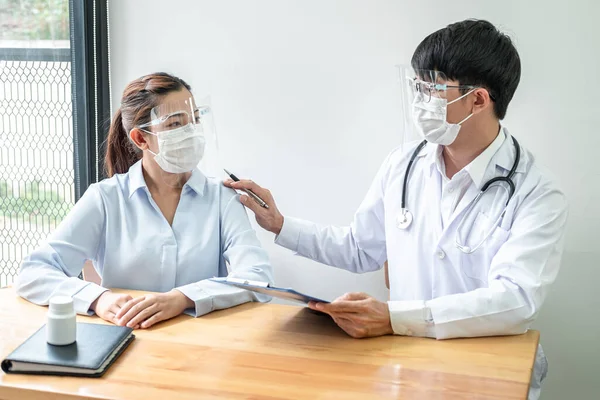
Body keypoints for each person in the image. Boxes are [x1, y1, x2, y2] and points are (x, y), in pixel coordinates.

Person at [225, 20, 567, 399]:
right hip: (410, 365)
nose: (421, 99)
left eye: (432, 88)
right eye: (417, 86)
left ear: (479, 100)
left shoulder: (536, 191)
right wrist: (280, 224)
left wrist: (394, 318)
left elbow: (514, 300)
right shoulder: (403, 164)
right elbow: (360, 248)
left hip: (491, 372)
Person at [16, 72, 273, 330]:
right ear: (141, 139)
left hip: (202, 345)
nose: (191, 132)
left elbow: (257, 276)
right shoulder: (105, 198)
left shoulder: (222, 197)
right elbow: (34, 272)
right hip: (125, 339)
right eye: (175, 124)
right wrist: (97, 299)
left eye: (194, 120)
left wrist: (183, 298)